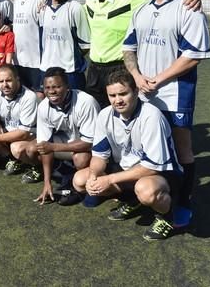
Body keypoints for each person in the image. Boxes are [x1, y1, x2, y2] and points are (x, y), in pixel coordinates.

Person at [123, 0, 210, 228]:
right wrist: (137, 76)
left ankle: (182, 201)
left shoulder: (189, 9)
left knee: (182, 150)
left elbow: (194, 56)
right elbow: (129, 49)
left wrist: (159, 79)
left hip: (175, 94)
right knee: (145, 149)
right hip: (145, 93)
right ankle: (147, 196)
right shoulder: (141, 11)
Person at [73, 69, 182, 241]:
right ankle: (132, 199)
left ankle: (166, 217)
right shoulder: (105, 115)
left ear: (136, 92)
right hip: (125, 170)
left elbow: (151, 167)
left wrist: (109, 179)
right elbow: (100, 155)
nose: (118, 100)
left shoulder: (151, 116)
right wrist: (94, 176)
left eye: (123, 93)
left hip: (160, 174)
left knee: (146, 191)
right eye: (112, 95)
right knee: (81, 181)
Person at [84, 0, 201, 108]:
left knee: (122, 113)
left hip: (120, 67)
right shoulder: (89, 1)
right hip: (94, 69)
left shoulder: (133, 0)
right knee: (94, 113)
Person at [24, 67, 100, 206]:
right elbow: (44, 146)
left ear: (67, 86)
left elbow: (89, 143)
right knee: (31, 148)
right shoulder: (43, 107)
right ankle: (62, 172)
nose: (51, 91)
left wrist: (53, 146)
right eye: (47, 87)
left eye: (57, 87)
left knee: (80, 158)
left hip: (91, 149)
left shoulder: (85, 102)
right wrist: (47, 183)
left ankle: (79, 189)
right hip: (68, 144)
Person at [0, 65, 39, 175]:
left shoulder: (29, 97)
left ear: (17, 79)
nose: (4, 85)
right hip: (11, 131)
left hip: (33, 136)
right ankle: (14, 160)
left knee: (17, 148)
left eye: (8, 80)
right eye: (1, 81)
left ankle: (38, 167)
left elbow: (23, 134)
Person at [39, 0, 90, 90]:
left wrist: (68, 57)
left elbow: (86, 44)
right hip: (47, 70)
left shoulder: (75, 8)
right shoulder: (42, 9)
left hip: (70, 72)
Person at [12, 0, 49, 96]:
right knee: (22, 99)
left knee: (39, 99)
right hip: (18, 61)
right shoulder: (16, 0)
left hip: (37, 62)